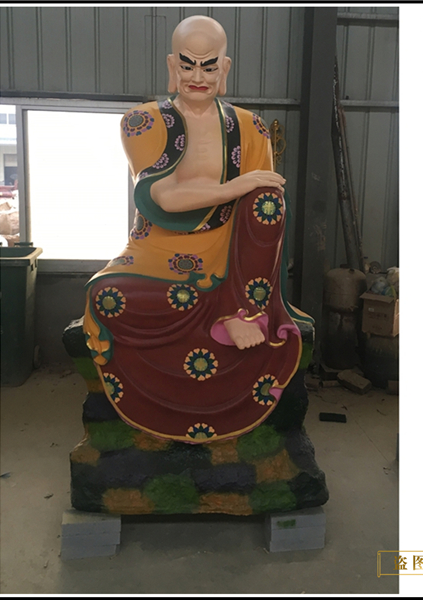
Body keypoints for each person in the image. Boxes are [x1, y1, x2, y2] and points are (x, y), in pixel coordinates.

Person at [83, 15, 313, 443]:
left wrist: (242, 192)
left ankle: (242, 313)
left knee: (268, 202)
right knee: (107, 296)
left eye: (209, 66)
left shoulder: (251, 127)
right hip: (157, 247)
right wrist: (231, 187)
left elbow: (261, 200)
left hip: (231, 253)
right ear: (172, 65)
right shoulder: (143, 121)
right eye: (188, 65)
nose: (198, 77)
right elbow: (164, 197)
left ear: (225, 68)